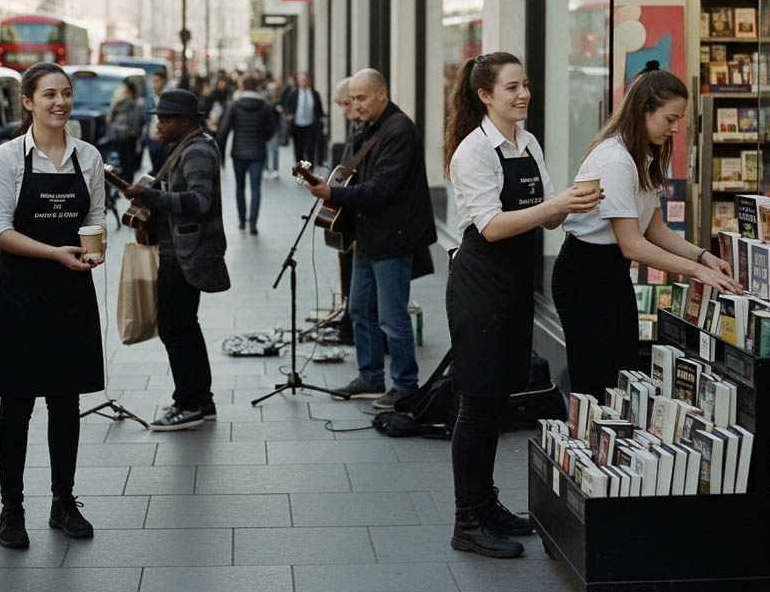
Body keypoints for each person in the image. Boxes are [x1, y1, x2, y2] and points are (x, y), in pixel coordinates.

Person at [443, 52, 601, 559]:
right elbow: (490, 225)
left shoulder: (527, 142)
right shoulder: (473, 151)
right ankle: (467, 519)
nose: (523, 94)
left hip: (513, 286)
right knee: (477, 403)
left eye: (526, 84)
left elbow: (549, 218)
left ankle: (487, 505)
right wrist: (554, 207)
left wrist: (575, 204)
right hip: (480, 284)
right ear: (485, 95)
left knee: (496, 402)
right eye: (511, 87)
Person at [552, 61, 740, 399]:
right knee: (594, 382)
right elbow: (633, 246)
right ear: (644, 111)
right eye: (670, 120)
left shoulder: (644, 155)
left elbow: (655, 229)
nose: (675, 129)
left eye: (678, 121)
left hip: (610, 272)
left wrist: (703, 256)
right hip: (584, 272)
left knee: (621, 372)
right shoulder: (616, 160)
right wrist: (696, 270)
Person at [0, 62, 107, 550]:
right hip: (19, 293)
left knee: (66, 401)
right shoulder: (8, 158)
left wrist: (92, 245)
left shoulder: (88, 157)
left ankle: (63, 502)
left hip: (71, 293)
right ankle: (12, 508)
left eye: (67, 94)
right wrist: (54, 252)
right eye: (50, 94)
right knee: (16, 405)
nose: (61, 102)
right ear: (28, 102)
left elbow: (95, 213)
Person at [304, 68, 435, 410]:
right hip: (367, 235)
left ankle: (406, 384)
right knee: (360, 309)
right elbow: (359, 175)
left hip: (393, 236)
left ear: (382, 94)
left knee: (392, 315)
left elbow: (383, 188)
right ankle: (371, 377)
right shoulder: (370, 128)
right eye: (352, 100)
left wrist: (332, 191)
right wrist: (331, 184)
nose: (356, 105)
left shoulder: (399, 129)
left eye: (361, 98)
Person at [123, 89, 230, 431]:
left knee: (174, 327)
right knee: (184, 326)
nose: (159, 125)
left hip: (186, 256)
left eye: (166, 119)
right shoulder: (188, 147)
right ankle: (202, 401)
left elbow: (200, 200)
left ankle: (188, 404)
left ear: (185, 121)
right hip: (180, 252)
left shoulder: (197, 151)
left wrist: (154, 196)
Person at [216, 75, 277, 234]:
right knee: (256, 188)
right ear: (257, 88)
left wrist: (218, 152)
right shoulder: (265, 106)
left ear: (242, 87)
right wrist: (262, 138)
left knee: (240, 187)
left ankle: (242, 220)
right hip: (257, 152)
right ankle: (253, 223)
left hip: (238, 153)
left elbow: (224, 130)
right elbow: (271, 129)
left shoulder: (235, 105)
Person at [330, 76, 362, 344]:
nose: (344, 110)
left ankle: (349, 324)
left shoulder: (367, 131)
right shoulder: (357, 130)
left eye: (345, 104)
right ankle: (348, 322)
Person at [105, 79, 144, 183]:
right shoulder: (119, 106)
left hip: (127, 141)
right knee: (123, 167)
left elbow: (137, 126)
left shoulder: (135, 107)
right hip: (122, 140)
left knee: (126, 167)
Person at [284, 71, 324, 167]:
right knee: (299, 149)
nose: (303, 81)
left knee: (310, 148)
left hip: (311, 125)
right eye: (301, 80)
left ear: (309, 80)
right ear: (298, 81)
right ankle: (300, 170)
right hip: (297, 125)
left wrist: (320, 119)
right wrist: (289, 114)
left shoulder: (314, 93)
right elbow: (287, 106)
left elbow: (319, 108)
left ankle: (310, 170)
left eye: (305, 79)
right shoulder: (293, 93)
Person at [143, 69, 169, 172]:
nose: (153, 84)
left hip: (165, 140)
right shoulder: (149, 98)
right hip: (152, 140)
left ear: (163, 82)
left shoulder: (169, 97)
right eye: (152, 81)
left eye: (156, 81)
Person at [263, 79, 284, 179]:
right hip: (265, 129)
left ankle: (275, 170)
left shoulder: (279, 101)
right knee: (266, 150)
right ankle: (266, 169)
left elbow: (281, 114)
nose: (273, 92)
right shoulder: (265, 101)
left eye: (275, 90)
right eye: (271, 90)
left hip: (275, 129)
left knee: (275, 150)